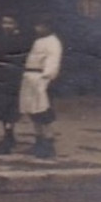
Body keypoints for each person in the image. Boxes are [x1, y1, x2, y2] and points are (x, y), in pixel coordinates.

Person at [0, 13, 29, 154]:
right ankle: (8, 134)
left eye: (10, 23)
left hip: (13, 79)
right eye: (4, 22)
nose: (6, 26)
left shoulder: (21, 40)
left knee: (11, 109)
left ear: (16, 25)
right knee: (0, 108)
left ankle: (8, 139)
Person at [19, 15, 64, 158]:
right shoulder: (39, 40)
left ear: (48, 26)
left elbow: (52, 63)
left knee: (44, 113)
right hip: (30, 78)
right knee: (33, 112)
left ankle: (48, 145)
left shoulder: (53, 42)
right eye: (37, 25)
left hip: (41, 81)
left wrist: (45, 79)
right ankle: (38, 142)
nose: (37, 28)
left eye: (41, 26)